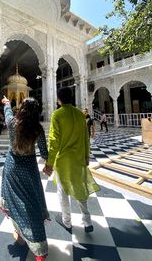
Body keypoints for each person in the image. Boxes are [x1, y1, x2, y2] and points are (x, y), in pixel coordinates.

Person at [43, 87, 100, 234]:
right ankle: (87, 221)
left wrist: (49, 163)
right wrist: (87, 155)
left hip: (63, 161)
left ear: (58, 99)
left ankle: (66, 222)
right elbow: (85, 137)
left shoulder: (57, 114)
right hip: (79, 158)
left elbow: (54, 141)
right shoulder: (80, 114)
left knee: (62, 191)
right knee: (80, 188)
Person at [0, 96, 49, 261]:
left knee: (14, 202)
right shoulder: (38, 129)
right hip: (29, 170)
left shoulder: (13, 123)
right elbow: (44, 151)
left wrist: (7, 103)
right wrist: (49, 165)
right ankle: (39, 246)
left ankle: (21, 237)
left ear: (22, 109)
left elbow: (7, 114)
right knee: (30, 204)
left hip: (12, 167)